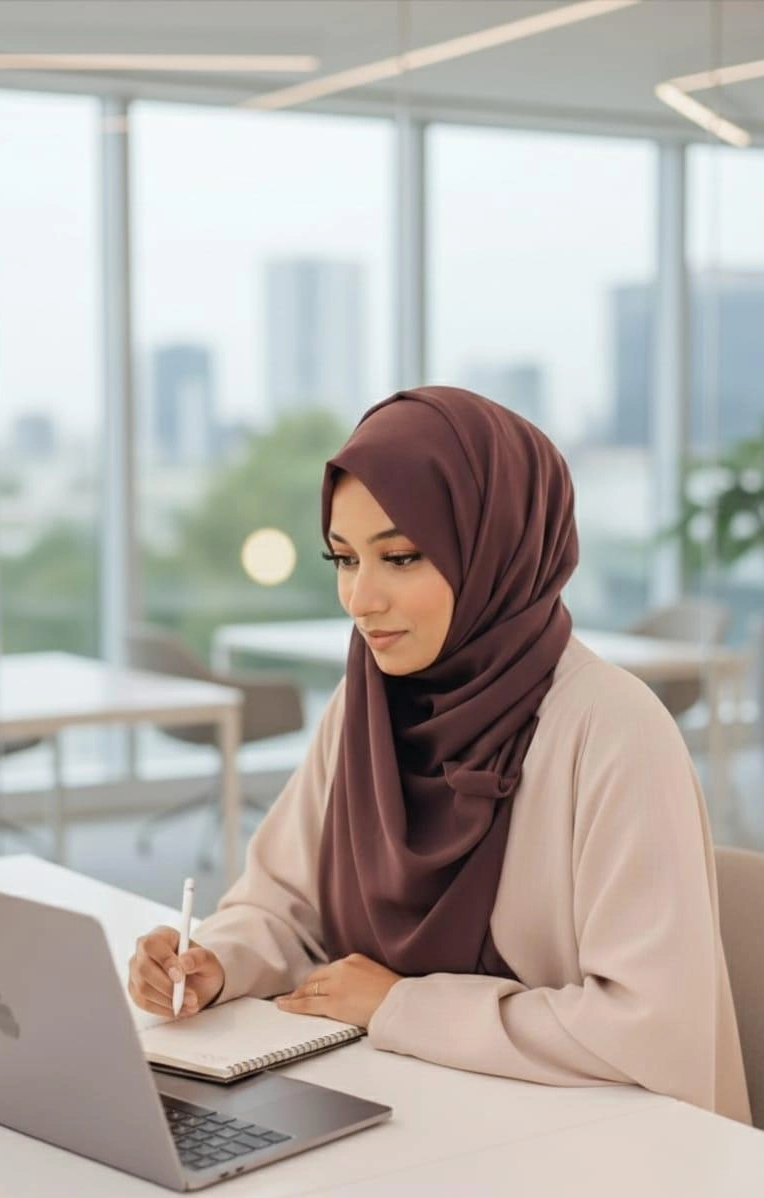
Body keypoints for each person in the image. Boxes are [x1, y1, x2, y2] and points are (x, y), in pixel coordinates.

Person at [128, 386, 751, 1124]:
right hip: (402, 1110)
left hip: (583, 1139)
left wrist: (400, 1005)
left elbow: (649, 1029)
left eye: (400, 557)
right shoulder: (365, 705)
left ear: (498, 549)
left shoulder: (613, 729)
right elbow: (282, 908)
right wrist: (214, 962)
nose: (360, 599)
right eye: (343, 559)